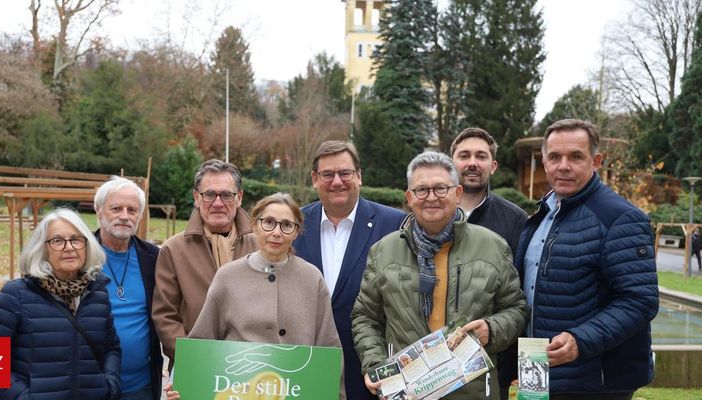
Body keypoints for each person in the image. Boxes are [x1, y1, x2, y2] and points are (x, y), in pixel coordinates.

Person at [352, 151, 528, 399]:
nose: (431, 197)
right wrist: (375, 363)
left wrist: (492, 329)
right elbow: (365, 316)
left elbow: (517, 309)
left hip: (473, 390)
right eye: (422, 190)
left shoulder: (492, 246)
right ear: (409, 198)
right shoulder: (383, 251)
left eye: (440, 189)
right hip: (408, 389)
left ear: (457, 194)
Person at [515, 119, 659, 398]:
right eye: (555, 157)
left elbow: (640, 300)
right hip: (538, 365)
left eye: (576, 156)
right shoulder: (544, 212)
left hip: (595, 377)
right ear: (544, 161)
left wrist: (581, 340)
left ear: (596, 161)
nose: (563, 166)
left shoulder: (619, 218)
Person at [166, 193, 345, 399]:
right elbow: (201, 343)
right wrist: (184, 383)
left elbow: (329, 348)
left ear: (296, 232)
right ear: (255, 225)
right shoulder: (227, 277)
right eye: (268, 222)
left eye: (287, 225)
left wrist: (336, 395)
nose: (277, 232)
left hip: (297, 392)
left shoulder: (312, 278)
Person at [293, 140, 405, 400]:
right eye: (327, 174)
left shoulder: (393, 224)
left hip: (369, 373)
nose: (337, 182)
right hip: (304, 368)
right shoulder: (293, 225)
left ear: (359, 176)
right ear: (314, 178)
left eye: (345, 173)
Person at [0, 208, 121, 400]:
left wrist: (109, 386)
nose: (69, 247)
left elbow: (111, 348)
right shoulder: (15, 294)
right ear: (42, 248)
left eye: (76, 239)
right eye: (57, 241)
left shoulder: (97, 293)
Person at [153, 159, 258, 368]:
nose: (217, 203)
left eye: (226, 195)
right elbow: (165, 316)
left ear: (239, 198)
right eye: (209, 195)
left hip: (250, 365)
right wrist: (195, 357)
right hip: (194, 365)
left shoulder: (261, 246)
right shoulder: (174, 250)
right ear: (196, 198)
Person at [450, 127, 528, 400]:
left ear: (492, 166)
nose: (472, 162)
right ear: (452, 163)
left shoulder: (515, 221)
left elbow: (519, 298)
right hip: (432, 366)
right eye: (465, 155)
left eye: (481, 156)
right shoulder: (430, 215)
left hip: (492, 366)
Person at [94, 177, 162, 400]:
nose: (124, 216)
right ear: (99, 211)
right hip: (90, 386)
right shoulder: (78, 256)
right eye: (116, 208)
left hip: (141, 387)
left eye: (132, 209)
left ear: (140, 216)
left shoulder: (153, 258)